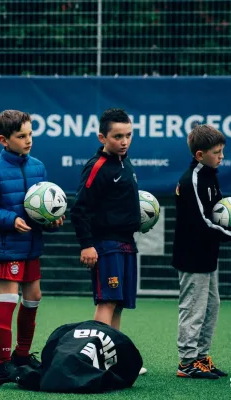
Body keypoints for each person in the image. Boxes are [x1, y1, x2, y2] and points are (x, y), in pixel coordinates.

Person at [0, 109, 64, 385]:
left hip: (31, 245)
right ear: (4, 140)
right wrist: (11, 220)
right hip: (7, 246)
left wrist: (51, 220)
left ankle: (22, 355)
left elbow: (43, 208)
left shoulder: (38, 166)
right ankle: (2, 363)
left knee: (34, 296)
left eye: (30, 134)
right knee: (9, 299)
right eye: (21, 136)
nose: (28, 140)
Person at [172, 124, 231, 379]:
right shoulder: (193, 180)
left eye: (222, 151)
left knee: (211, 306)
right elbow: (202, 224)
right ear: (200, 155)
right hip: (192, 257)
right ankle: (187, 362)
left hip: (207, 255)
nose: (222, 157)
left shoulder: (211, 174)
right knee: (193, 309)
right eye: (217, 152)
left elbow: (219, 214)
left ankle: (201, 359)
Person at [70, 108, 146, 375]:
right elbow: (79, 209)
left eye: (128, 135)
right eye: (117, 136)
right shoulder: (97, 166)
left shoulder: (127, 164)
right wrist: (87, 244)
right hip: (106, 245)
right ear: (102, 137)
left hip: (126, 244)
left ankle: (116, 358)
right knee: (107, 302)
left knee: (118, 304)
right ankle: (95, 361)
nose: (124, 141)